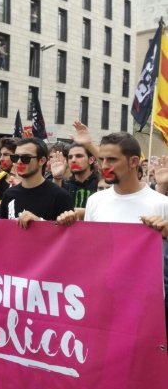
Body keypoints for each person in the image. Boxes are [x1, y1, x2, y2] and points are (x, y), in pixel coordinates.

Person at [56, 132, 168, 330]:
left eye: (112, 159)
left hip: (146, 309)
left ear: (134, 161)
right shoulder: (95, 201)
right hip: (103, 302)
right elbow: (92, 252)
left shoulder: (161, 203)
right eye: (101, 159)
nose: (104, 166)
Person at [0, 137, 73, 226]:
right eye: (15, 158)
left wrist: (39, 223)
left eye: (26, 158)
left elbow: (66, 236)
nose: (19, 162)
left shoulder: (60, 196)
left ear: (41, 161)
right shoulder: (9, 194)